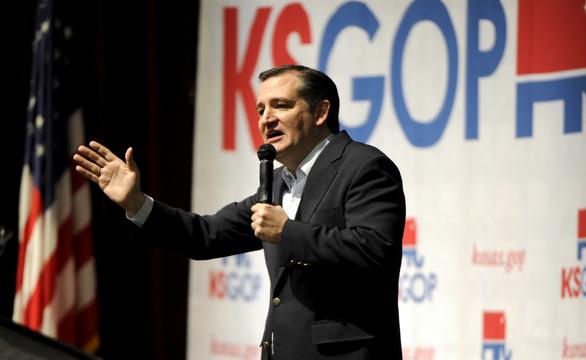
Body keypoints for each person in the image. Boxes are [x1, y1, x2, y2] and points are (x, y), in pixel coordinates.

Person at [74, 64, 406, 359]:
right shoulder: (277, 182)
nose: (266, 119)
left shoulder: (364, 166)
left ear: (321, 112)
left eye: (281, 105)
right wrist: (136, 202)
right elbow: (206, 235)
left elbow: (377, 249)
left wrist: (287, 231)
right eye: (261, 109)